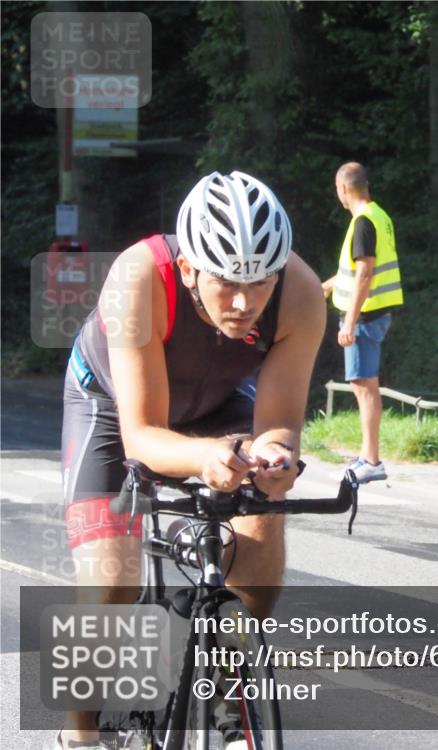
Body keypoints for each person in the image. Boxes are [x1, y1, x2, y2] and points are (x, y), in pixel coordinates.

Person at [57, 171, 326, 749]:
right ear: (188, 271)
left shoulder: (300, 293)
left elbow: (278, 423)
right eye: (227, 281)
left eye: (259, 284)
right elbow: (143, 436)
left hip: (217, 402)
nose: (243, 302)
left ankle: (235, 692)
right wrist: (206, 457)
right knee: (111, 581)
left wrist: (275, 457)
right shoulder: (138, 278)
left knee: (261, 513)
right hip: (111, 406)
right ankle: (78, 736)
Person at [321, 162, 402, 483]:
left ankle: (371, 460)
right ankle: (368, 456)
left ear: (343, 189)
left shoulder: (363, 222)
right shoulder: (379, 216)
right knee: (365, 384)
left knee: (364, 386)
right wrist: (328, 285)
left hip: (365, 317)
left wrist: (349, 323)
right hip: (375, 314)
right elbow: (357, 270)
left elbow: (366, 274)